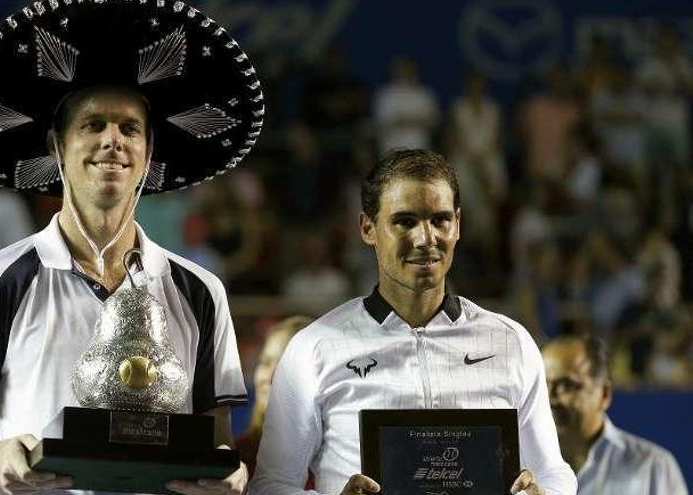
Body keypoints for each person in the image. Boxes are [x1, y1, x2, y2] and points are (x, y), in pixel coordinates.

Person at [0, 3, 265, 494]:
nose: (113, 140)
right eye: (93, 124)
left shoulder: (201, 292)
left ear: (149, 153)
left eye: (130, 128)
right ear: (56, 146)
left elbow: (215, 444)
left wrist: (229, 472)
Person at [249, 149, 577, 495]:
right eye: (405, 221)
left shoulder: (510, 342)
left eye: (440, 219)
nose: (426, 239)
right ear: (368, 228)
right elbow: (271, 484)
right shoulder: (314, 348)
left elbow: (553, 472)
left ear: (458, 224)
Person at [542, 334, 688, 495]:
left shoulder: (652, 467)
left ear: (604, 394)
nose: (550, 398)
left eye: (565, 385)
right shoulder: (520, 462)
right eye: (541, 384)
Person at [236, 315, 314, 470]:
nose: (269, 376)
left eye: (286, 366)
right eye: (265, 362)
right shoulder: (235, 459)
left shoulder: (338, 462)